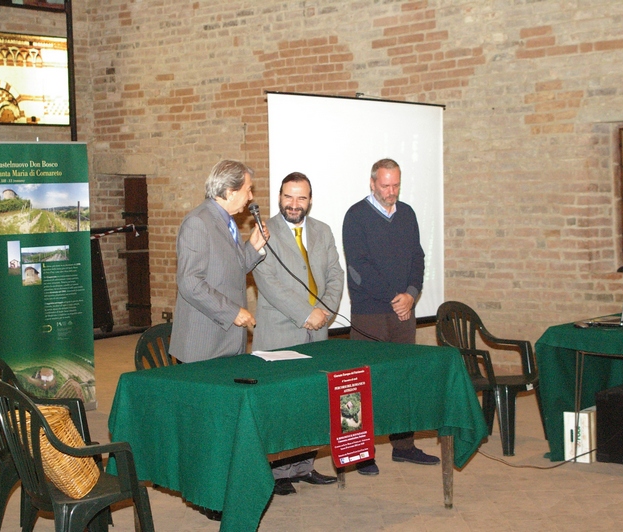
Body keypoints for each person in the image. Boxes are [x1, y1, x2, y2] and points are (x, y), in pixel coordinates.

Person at [342, 158, 440, 473]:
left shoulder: (407, 213)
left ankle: (404, 446)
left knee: (403, 379)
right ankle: (360, 452)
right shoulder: (356, 216)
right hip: (370, 311)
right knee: (362, 382)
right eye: (385, 185)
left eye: (395, 185)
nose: (391, 191)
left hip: (403, 311)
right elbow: (358, 268)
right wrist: (393, 297)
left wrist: (411, 293)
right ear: (372, 183)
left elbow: (418, 257)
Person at [252, 171, 344, 496]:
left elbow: (335, 273)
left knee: (310, 400)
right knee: (281, 403)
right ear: (279, 198)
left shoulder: (323, 231)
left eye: (301, 197)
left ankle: (305, 466)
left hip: (317, 333)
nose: (294, 204)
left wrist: (326, 313)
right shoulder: (265, 232)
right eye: (288, 197)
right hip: (279, 332)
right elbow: (267, 282)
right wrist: (306, 313)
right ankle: (278, 473)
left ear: (309, 200)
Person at [168, 159, 268, 364]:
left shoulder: (228, 221)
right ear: (230, 192)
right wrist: (232, 312)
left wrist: (253, 246)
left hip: (228, 339)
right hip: (204, 344)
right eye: (248, 190)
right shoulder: (198, 222)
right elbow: (189, 282)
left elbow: (231, 270)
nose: (251, 197)